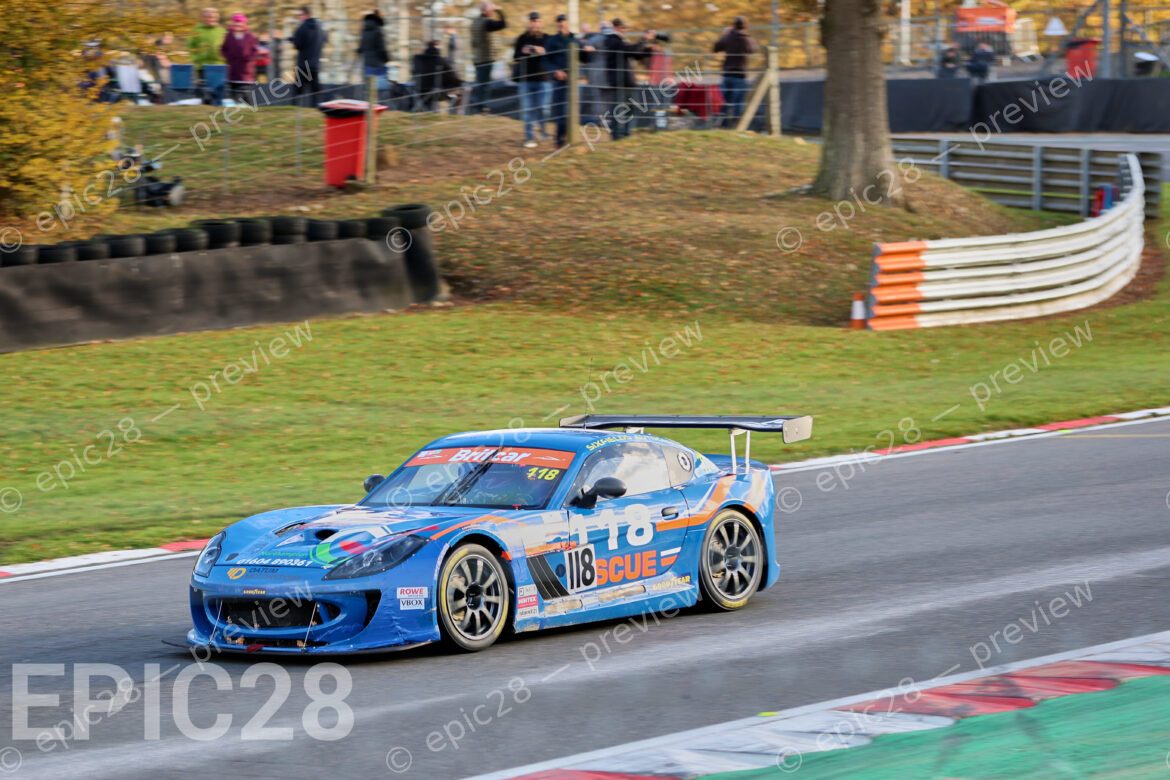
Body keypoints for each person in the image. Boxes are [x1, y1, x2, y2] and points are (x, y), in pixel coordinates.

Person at [544, 14, 593, 148]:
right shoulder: (552, 40)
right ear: (557, 24)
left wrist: (588, 52)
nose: (561, 24)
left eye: (563, 21)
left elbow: (584, 59)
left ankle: (568, 138)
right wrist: (555, 71)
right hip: (559, 81)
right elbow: (546, 60)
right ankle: (559, 141)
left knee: (571, 111)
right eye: (559, 22)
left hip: (573, 82)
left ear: (567, 23)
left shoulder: (575, 39)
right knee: (560, 112)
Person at [602, 19, 653, 140]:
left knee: (631, 107)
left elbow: (636, 54)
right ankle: (617, 135)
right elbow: (631, 50)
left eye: (625, 28)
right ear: (615, 27)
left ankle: (625, 133)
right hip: (619, 81)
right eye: (622, 28)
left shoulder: (621, 41)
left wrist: (649, 50)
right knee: (619, 109)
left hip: (627, 81)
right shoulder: (613, 40)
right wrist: (644, 39)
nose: (624, 30)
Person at [513, 12, 550, 148]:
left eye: (537, 21)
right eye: (532, 21)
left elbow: (552, 55)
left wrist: (542, 50)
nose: (535, 23)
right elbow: (515, 57)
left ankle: (543, 131)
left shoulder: (547, 38)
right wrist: (523, 51)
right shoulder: (522, 38)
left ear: (541, 23)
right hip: (526, 80)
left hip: (544, 79)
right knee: (527, 110)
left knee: (543, 108)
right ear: (529, 22)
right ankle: (529, 137)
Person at [713, 17, 757, 128]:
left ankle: (721, 124)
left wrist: (726, 34)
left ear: (733, 25)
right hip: (740, 75)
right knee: (738, 103)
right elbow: (753, 49)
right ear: (745, 27)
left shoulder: (728, 37)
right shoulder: (746, 38)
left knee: (724, 101)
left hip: (727, 74)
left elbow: (716, 47)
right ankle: (737, 126)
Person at [470, 2, 506, 112]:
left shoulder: (475, 22)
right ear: (485, 11)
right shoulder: (487, 23)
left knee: (480, 84)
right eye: (491, 10)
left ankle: (478, 107)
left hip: (477, 58)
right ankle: (482, 108)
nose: (492, 12)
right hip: (486, 58)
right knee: (485, 86)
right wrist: (499, 10)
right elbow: (503, 24)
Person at [220, 13, 261, 102]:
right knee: (233, 95)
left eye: (240, 23)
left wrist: (249, 59)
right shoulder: (229, 36)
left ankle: (252, 109)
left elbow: (255, 51)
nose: (238, 25)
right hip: (233, 70)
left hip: (245, 71)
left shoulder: (249, 36)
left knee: (246, 94)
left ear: (244, 24)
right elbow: (223, 49)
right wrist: (228, 57)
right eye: (236, 22)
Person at [290, 5, 326, 105]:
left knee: (297, 92)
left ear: (304, 14)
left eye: (300, 15)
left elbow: (298, 44)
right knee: (315, 93)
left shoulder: (302, 27)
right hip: (315, 65)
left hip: (303, 65)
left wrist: (293, 40)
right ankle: (316, 112)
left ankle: (293, 112)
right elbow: (324, 40)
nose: (299, 17)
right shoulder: (320, 28)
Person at [413, 39, 462, 112]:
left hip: (419, 91)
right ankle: (454, 114)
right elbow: (453, 76)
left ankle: (428, 110)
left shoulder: (417, 59)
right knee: (458, 93)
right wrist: (459, 83)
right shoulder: (440, 60)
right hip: (437, 92)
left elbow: (414, 73)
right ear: (438, 48)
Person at [358, 10, 390, 84]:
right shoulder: (377, 31)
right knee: (380, 84)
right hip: (377, 63)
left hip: (367, 63)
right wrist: (386, 59)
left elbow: (361, 46)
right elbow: (381, 47)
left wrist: (360, 50)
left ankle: (369, 95)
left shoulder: (364, 31)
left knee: (369, 85)